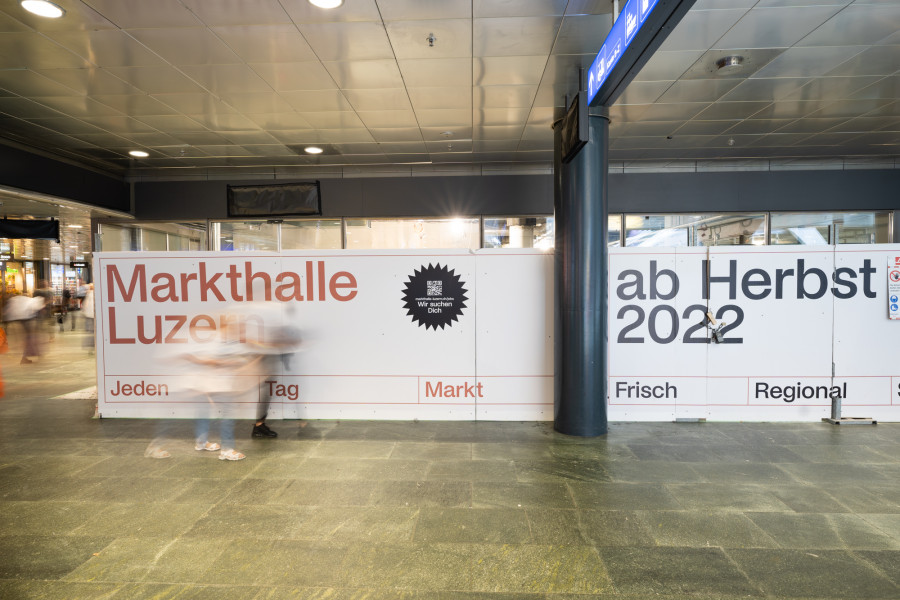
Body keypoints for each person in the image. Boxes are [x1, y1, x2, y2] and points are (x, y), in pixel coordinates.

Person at [4, 293, 43, 364]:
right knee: (28, 338)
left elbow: (9, 311)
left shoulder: (16, 300)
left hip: (19, 320)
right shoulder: (31, 300)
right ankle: (27, 356)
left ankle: (27, 355)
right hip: (26, 320)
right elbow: (36, 309)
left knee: (27, 337)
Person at [81, 283, 95, 352]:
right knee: (93, 331)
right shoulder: (93, 294)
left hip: (89, 315)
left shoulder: (88, 294)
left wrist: (84, 312)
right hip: (93, 315)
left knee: (91, 331)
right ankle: (92, 345)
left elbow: (85, 305)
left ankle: (90, 346)